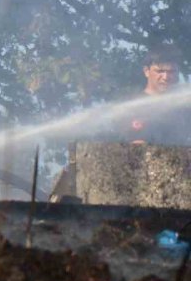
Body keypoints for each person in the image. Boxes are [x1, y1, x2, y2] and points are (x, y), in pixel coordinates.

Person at [50, 46, 186, 201]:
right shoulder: (132, 105)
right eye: (160, 71)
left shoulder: (182, 109)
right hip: (138, 186)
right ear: (146, 71)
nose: (166, 77)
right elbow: (137, 145)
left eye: (171, 72)